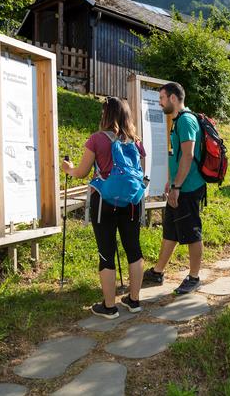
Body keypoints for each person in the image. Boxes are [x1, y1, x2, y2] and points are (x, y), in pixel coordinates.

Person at [62, 97, 148, 319]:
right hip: (132, 202)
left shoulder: (97, 140)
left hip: (104, 202)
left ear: (106, 115)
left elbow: (81, 172)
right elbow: (140, 175)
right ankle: (134, 300)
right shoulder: (136, 142)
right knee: (134, 249)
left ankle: (109, 307)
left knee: (106, 252)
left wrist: (68, 169)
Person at [143, 82, 206, 295]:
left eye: (161, 98)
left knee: (192, 232)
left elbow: (188, 155)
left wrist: (178, 185)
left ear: (172, 98)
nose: (160, 103)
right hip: (179, 185)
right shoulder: (178, 120)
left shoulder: (186, 120)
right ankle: (158, 271)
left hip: (188, 187)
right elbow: (178, 155)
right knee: (170, 229)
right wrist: (172, 182)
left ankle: (195, 277)